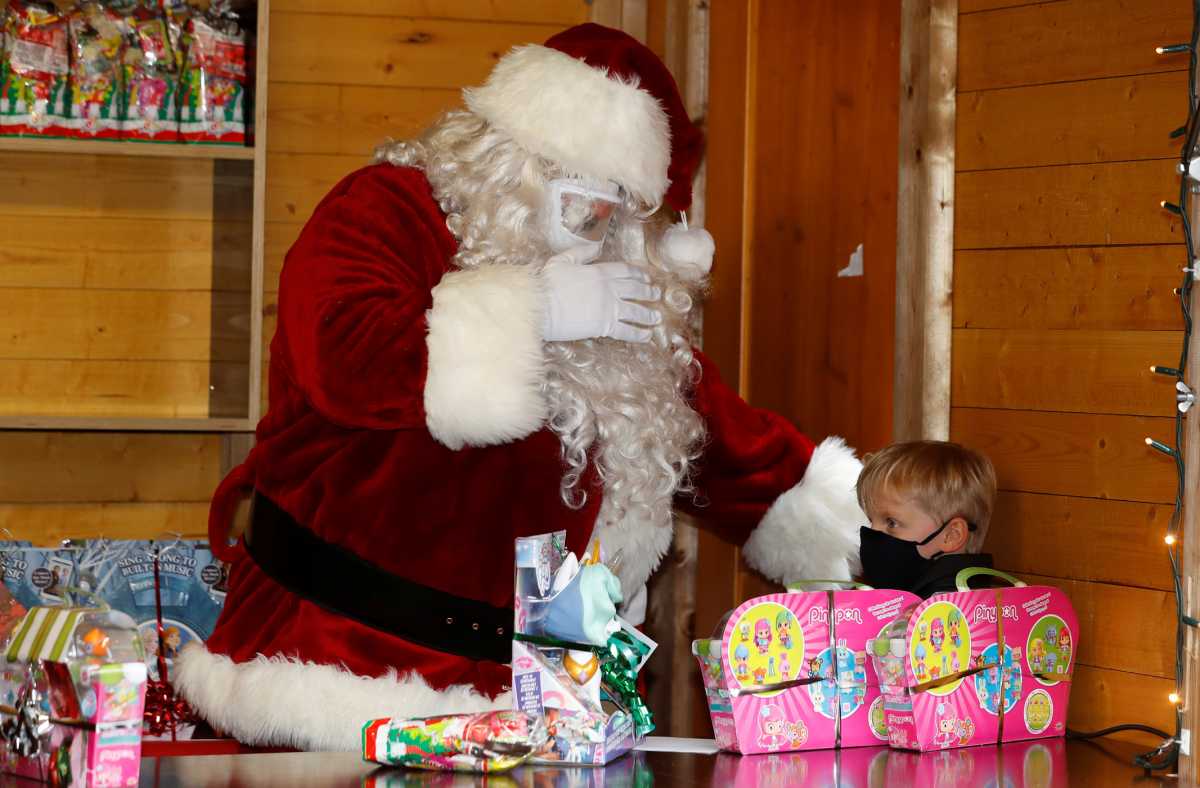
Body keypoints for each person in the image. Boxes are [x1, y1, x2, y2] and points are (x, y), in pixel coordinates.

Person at [174, 23, 865, 751]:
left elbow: (715, 435)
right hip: (334, 670)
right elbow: (344, 359)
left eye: (620, 214)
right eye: (581, 206)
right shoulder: (385, 211)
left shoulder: (616, 284)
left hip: (533, 702)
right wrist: (532, 313)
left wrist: (868, 530)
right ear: (512, 161)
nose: (597, 233)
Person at [855, 441, 998, 597]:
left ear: (951, 535)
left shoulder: (944, 611)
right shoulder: (912, 592)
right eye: (870, 520)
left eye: (891, 523)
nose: (873, 533)